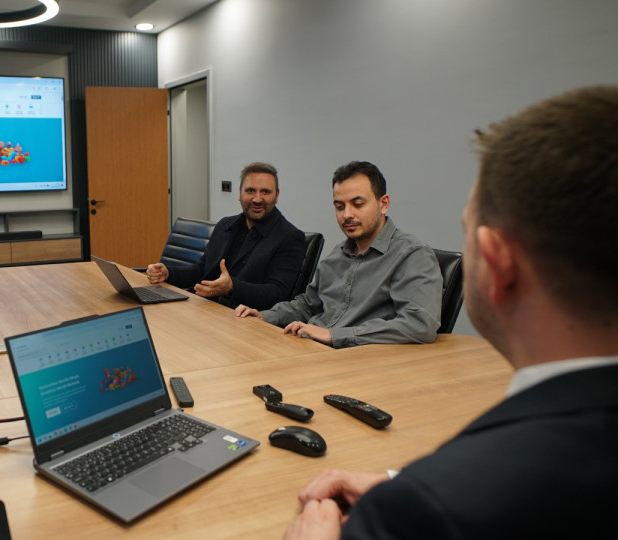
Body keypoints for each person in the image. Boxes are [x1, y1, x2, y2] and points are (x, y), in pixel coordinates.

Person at [284, 86, 618, 539]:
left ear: (496, 263)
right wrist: (396, 479)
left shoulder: (430, 509)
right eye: (340, 205)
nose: (346, 213)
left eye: (467, 233)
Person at [235, 161, 442, 348]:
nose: (347, 215)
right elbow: (308, 305)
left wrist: (334, 335)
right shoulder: (337, 254)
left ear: (383, 204)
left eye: (358, 204)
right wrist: (264, 317)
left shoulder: (411, 254)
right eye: (339, 207)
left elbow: (419, 324)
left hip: (354, 361)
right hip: (309, 348)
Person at [146, 162, 306, 310]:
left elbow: (277, 294)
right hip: (205, 309)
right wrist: (168, 273)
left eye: (265, 192)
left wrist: (232, 288)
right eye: (250, 191)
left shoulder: (290, 237)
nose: (257, 199)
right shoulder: (226, 225)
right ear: (239, 194)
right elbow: (201, 271)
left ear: (277, 195)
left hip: (243, 320)